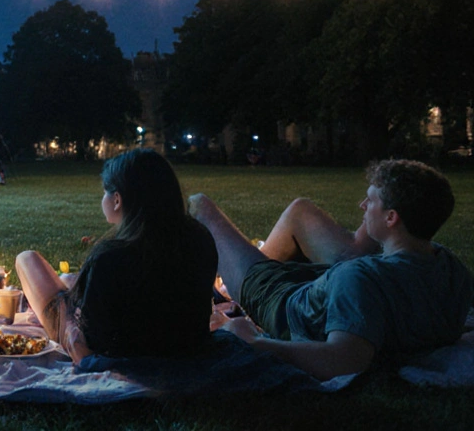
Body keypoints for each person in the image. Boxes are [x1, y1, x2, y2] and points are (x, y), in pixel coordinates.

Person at [189, 160, 473, 381]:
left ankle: (221, 286)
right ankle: (231, 278)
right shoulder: (450, 267)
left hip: (278, 300)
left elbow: (345, 358)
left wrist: (255, 343)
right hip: (314, 284)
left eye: (371, 200)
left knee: (200, 205)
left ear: (391, 217)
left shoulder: (359, 278)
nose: (362, 205)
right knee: (299, 215)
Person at [16, 149, 218, 362]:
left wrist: (71, 331)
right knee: (68, 280)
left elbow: (91, 342)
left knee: (27, 259)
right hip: (186, 348)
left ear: (117, 200)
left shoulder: (111, 258)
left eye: (105, 192)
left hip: (120, 357)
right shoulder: (199, 238)